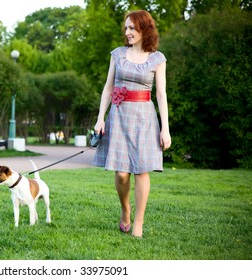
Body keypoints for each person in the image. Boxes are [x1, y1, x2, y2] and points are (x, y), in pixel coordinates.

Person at [93, 10, 171, 238]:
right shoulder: (117, 54)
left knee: (141, 171)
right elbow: (108, 88)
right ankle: (125, 209)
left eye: (132, 28)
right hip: (118, 117)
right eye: (126, 28)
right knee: (122, 174)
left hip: (145, 119)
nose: (127, 32)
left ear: (144, 30)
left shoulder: (158, 58)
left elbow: (161, 94)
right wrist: (100, 118)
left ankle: (139, 222)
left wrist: (165, 128)